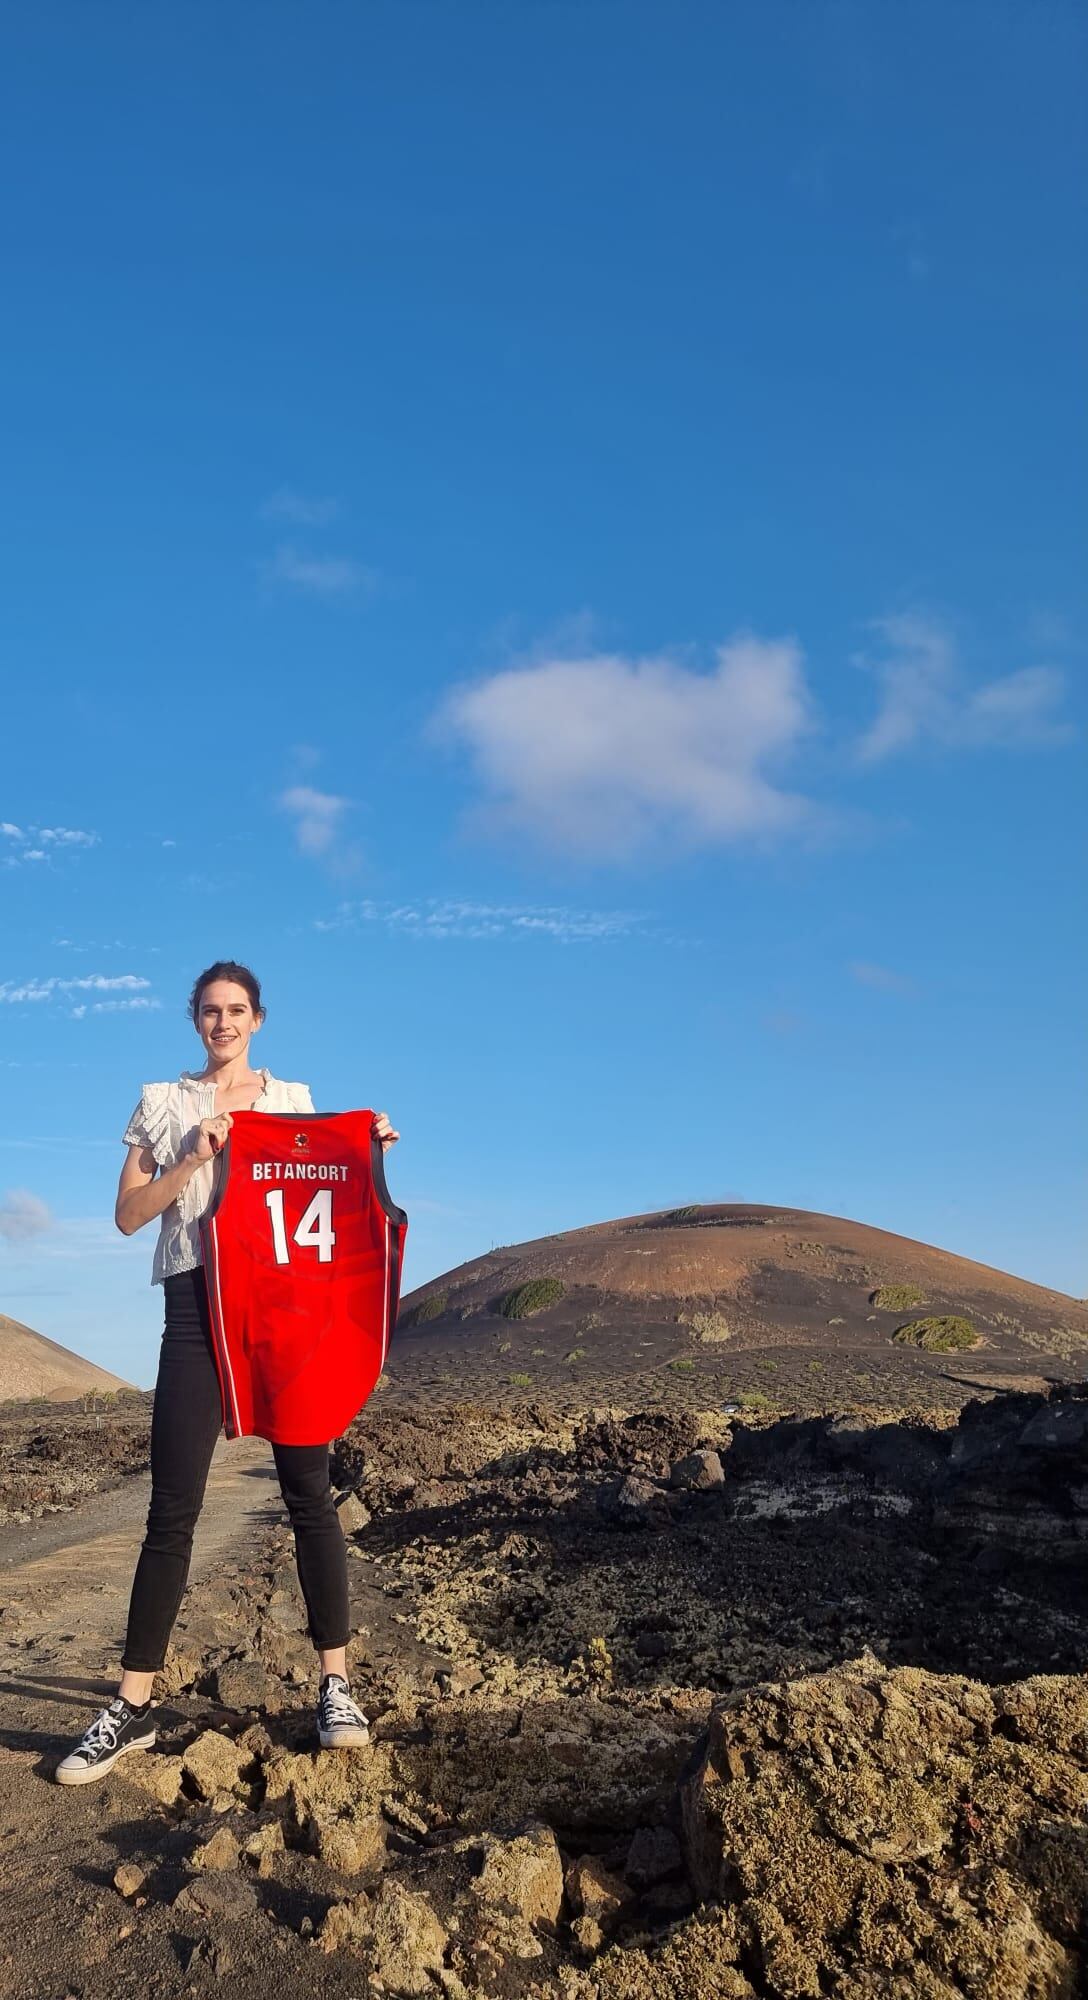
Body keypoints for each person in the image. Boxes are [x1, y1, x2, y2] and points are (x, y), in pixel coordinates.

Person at [54, 958, 400, 1785]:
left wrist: (368, 1151)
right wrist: (187, 1160)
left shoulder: (292, 1102)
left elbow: (323, 1186)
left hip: (283, 1316)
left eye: (236, 1010)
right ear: (194, 1020)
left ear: (258, 1018)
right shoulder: (162, 1102)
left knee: (308, 1497)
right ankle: (130, 1705)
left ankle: (336, 1687)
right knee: (172, 1508)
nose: (223, 1023)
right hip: (192, 1311)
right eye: (209, 1011)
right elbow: (128, 1215)